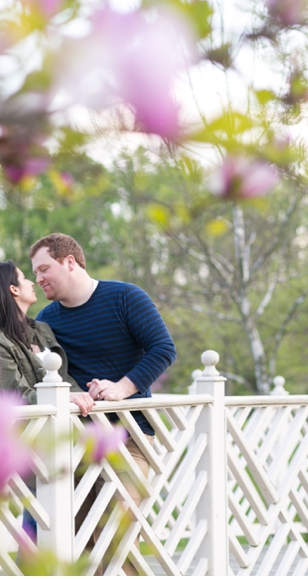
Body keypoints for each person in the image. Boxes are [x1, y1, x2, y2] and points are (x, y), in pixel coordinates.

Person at [29, 233, 177, 572]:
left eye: (44, 269)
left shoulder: (125, 297)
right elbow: (50, 376)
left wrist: (121, 388)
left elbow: (163, 349)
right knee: (79, 544)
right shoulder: (47, 318)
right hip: (76, 445)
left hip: (131, 439)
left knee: (118, 539)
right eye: (35, 273)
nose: (38, 279)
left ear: (70, 262)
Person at [0, 261, 95, 542]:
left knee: (74, 525)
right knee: (41, 521)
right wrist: (67, 396)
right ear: (13, 289)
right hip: (31, 443)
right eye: (25, 278)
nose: (33, 282)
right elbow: (14, 394)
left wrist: (85, 396)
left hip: (67, 438)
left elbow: (65, 378)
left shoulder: (41, 330)